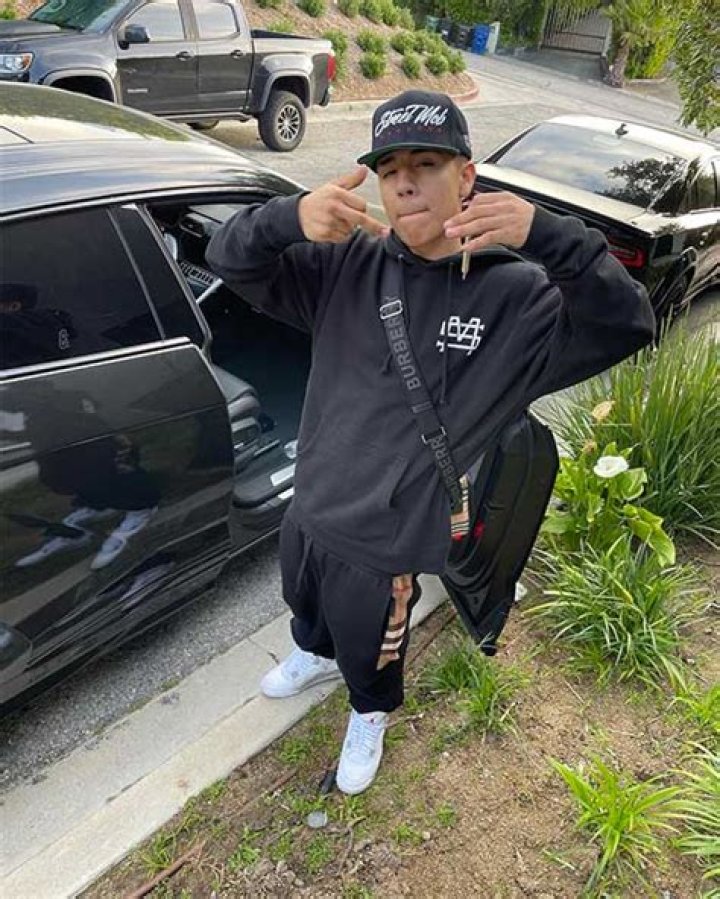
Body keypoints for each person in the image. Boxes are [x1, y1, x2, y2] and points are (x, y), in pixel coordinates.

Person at [206, 90, 655, 795]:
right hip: (311, 505)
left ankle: (369, 710)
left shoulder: (518, 297)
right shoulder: (344, 264)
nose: (404, 183)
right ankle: (312, 654)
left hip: (387, 539)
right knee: (305, 601)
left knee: (372, 644)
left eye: (425, 164)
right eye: (389, 170)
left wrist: (548, 234)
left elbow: (627, 322)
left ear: (466, 176)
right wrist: (288, 217)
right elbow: (229, 258)